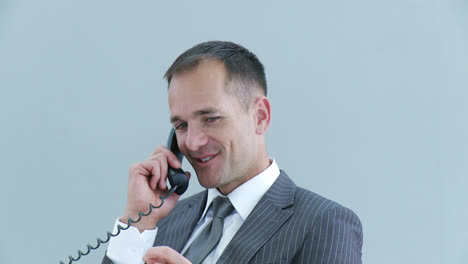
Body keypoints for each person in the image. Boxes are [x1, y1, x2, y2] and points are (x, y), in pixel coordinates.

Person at [102, 41, 363, 264]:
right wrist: (137, 223)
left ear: (260, 117)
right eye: (181, 126)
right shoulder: (162, 222)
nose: (192, 143)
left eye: (211, 118)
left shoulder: (323, 223)